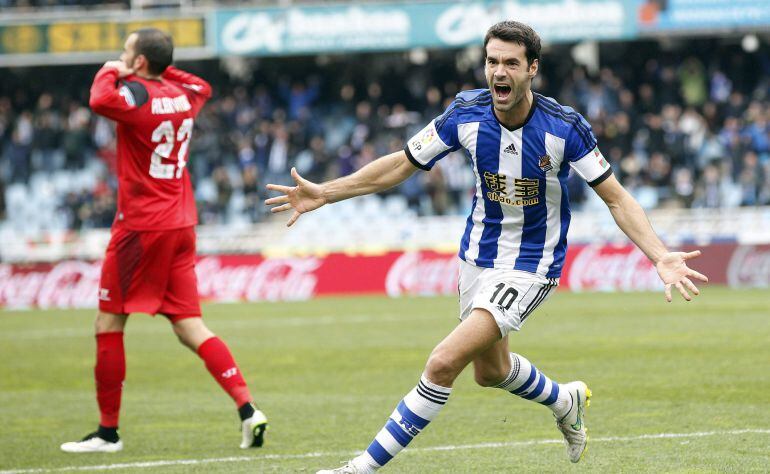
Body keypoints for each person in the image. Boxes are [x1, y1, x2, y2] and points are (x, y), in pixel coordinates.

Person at [265, 21, 708, 473]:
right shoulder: (465, 113)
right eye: (492, 61)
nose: (499, 71)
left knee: (442, 362)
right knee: (490, 372)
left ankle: (359, 469)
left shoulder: (564, 127)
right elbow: (402, 164)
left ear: (532, 69)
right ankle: (564, 400)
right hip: (477, 257)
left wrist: (660, 255)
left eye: (511, 63)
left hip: (531, 264)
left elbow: (616, 198)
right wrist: (326, 192)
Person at [60, 28, 268, 454]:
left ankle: (107, 433)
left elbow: (99, 99)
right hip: (180, 223)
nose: (120, 57)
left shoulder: (135, 95)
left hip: (141, 227)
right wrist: (158, 68)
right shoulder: (183, 95)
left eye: (126, 52)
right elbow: (202, 85)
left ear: (139, 62)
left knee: (108, 322)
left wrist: (111, 70)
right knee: (190, 325)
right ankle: (248, 408)